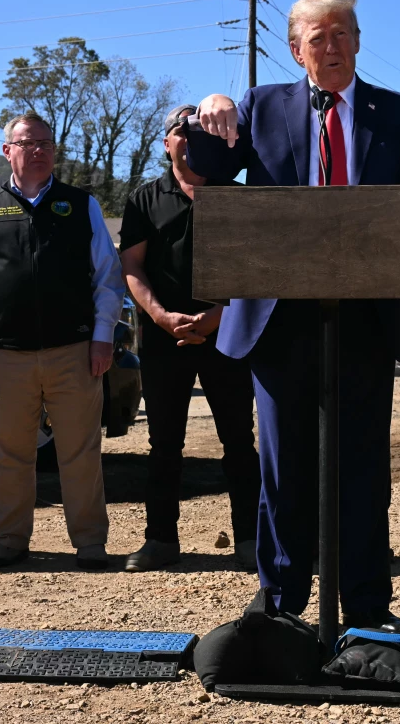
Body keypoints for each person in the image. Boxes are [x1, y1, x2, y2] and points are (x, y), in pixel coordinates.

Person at [188, 0, 400, 633]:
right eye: (319, 37)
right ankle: (282, 601)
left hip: (364, 314)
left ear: (359, 41)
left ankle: (366, 605)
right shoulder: (259, 107)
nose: (333, 46)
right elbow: (205, 164)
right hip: (277, 317)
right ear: (296, 50)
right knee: (283, 464)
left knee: (363, 464)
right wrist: (201, 110)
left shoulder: (392, 111)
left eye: (343, 33)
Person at [0, 111, 125, 571]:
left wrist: (104, 336)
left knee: (80, 451)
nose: (39, 150)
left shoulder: (79, 205)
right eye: (28, 143)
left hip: (75, 352)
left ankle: (89, 542)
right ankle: (9, 538)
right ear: (9, 151)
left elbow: (107, 277)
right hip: (4, 354)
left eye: (45, 142)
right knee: (8, 452)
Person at [118, 104, 261, 572]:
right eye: (181, 131)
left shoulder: (236, 196)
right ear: (166, 142)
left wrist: (220, 316)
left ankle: (250, 541)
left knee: (240, 442)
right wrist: (160, 315)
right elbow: (132, 266)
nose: (189, 138)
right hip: (163, 339)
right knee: (164, 445)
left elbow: (256, 267)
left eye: (198, 132)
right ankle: (159, 540)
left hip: (230, 335)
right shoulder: (145, 198)